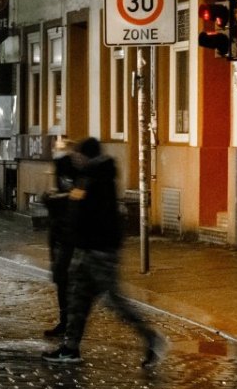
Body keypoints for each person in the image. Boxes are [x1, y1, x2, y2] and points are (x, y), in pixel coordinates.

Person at [42, 138, 166, 368]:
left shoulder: (95, 178)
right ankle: (70, 348)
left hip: (99, 252)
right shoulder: (92, 175)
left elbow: (84, 210)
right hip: (87, 249)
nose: (74, 159)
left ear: (86, 156)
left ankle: (151, 338)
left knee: (114, 302)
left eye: (77, 155)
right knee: (78, 298)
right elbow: (75, 205)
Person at [42, 140, 80, 338]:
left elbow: (71, 199)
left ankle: (70, 325)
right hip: (58, 232)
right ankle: (66, 322)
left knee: (66, 279)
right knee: (61, 279)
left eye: (60, 149)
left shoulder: (72, 170)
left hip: (67, 234)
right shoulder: (59, 169)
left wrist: (52, 199)